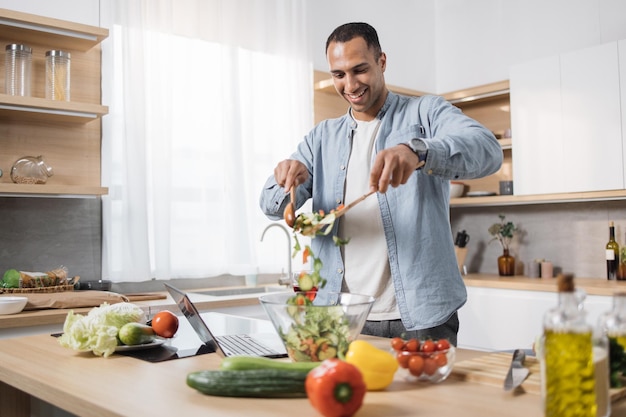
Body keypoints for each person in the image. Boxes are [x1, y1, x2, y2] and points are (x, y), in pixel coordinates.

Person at [259, 22, 502, 346]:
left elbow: (487, 149)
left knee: (430, 399)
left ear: (381, 62)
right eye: (339, 74)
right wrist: (287, 178)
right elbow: (271, 206)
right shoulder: (321, 137)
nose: (350, 84)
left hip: (421, 316)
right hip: (340, 315)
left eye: (359, 70)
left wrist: (418, 151)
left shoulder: (425, 112)